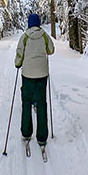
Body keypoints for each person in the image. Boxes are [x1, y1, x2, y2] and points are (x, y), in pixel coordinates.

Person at [14, 13, 54, 147]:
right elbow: (51, 50)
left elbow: (20, 53)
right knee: (42, 103)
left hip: (28, 75)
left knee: (26, 103)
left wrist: (18, 64)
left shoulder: (24, 37)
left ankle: (26, 133)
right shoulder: (44, 36)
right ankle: (42, 137)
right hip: (42, 74)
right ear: (39, 23)